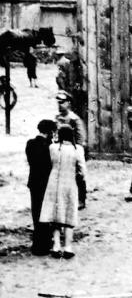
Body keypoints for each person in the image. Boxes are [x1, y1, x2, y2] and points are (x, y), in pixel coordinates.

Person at [39, 125, 87, 259]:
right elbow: (82, 171)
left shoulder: (53, 148)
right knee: (69, 213)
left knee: (55, 214)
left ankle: (56, 246)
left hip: (53, 183)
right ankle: (68, 247)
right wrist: (80, 178)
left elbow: (49, 164)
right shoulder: (78, 149)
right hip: (69, 183)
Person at [25, 119, 57, 255]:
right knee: (45, 213)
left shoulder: (30, 143)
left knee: (36, 212)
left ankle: (38, 244)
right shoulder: (50, 146)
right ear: (49, 132)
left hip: (34, 182)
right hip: (46, 183)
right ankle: (44, 243)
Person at [55, 90, 88, 208]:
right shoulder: (57, 118)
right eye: (58, 102)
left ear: (68, 103)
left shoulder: (74, 119)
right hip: (62, 149)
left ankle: (81, 199)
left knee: (79, 174)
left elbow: (81, 138)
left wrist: (76, 151)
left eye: (62, 102)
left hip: (74, 149)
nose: (60, 105)